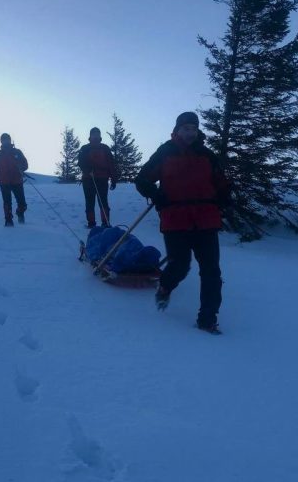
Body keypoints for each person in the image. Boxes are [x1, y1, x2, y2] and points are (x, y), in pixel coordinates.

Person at [134, 112, 230, 334]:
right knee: (180, 265)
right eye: (185, 128)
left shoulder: (207, 155)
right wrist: (157, 195)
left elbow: (221, 182)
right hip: (175, 219)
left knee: (211, 271)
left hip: (206, 219)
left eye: (193, 128)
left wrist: (225, 196)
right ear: (177, 131)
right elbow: (142, 179)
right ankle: (165, 287)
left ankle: (207, 319)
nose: (190, 132)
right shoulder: (165, 152)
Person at [77, 127, 117, 228]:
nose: (95, 136)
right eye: (93, 134)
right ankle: (91, 223)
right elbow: (80, 162)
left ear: (100, 136)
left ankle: (105, 223)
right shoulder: (85, 148)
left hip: (102, 179)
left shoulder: (105, 148)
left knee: (103, 201)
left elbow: (111, 164)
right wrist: (87, 170)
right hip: (88, 179)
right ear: (90, 136)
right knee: (89, 202)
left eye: (97, 134)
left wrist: (113, 179)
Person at [0, 133, 28, 227]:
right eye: (4, 139)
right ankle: (8, 221)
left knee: (22, 204)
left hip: (17, 180)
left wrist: (20, 167)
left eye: (7, 139)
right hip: (4, 182)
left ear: (10, 140)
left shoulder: (17, 152)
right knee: (7, 203)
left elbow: (26, 165)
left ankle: (20, 212)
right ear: (1, 141)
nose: (6, 141)